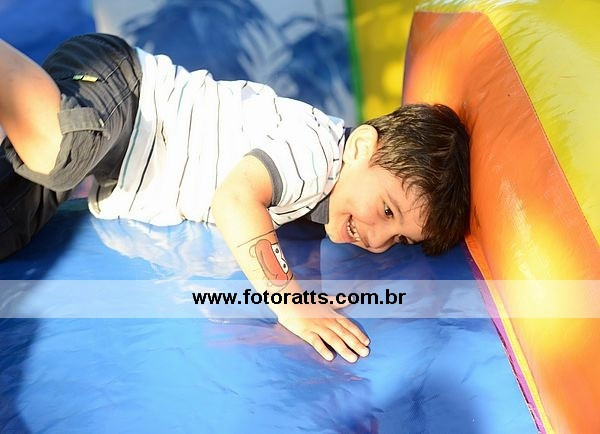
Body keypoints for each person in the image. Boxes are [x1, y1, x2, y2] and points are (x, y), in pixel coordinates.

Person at [0, 33, 470, 363]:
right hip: (126, 92)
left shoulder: (320, 207)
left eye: (400, 239)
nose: (379, 239)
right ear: (363, 147)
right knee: (64, 150)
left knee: (9, 226)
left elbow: (286, 266)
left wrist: (283, 329)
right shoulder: (317, 152)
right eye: (387, 210)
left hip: (111, 153)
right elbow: (236, 200)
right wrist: (291, 305)